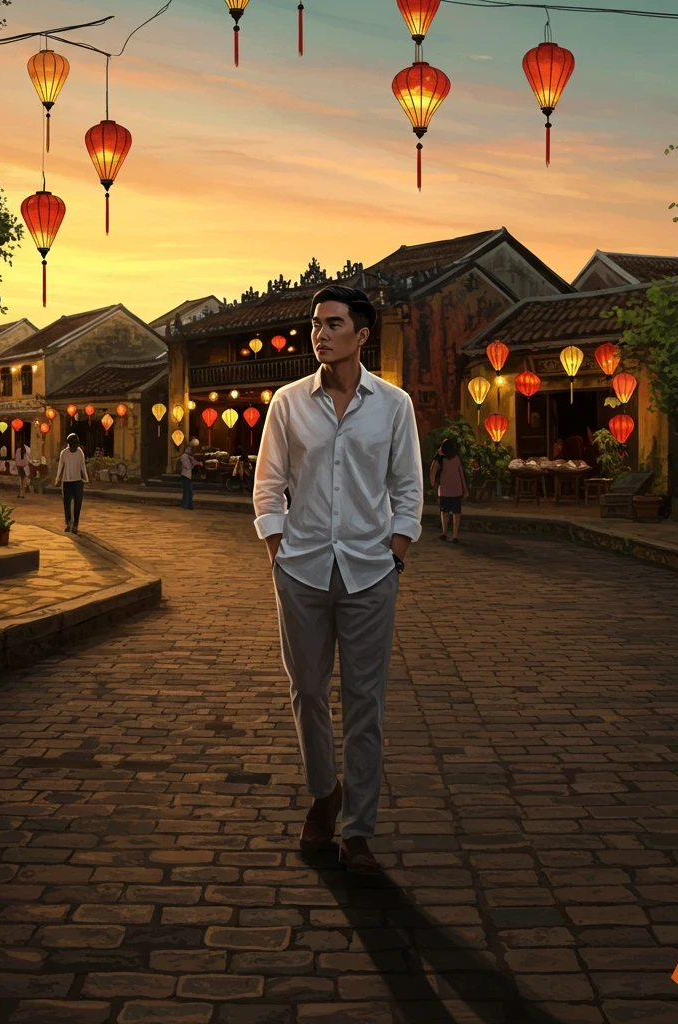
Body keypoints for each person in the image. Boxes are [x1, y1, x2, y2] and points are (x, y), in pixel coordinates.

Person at [253, 284, 423, 875]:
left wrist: (396, 552)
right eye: (315, 324)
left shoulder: (394, 405)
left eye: (333, 324)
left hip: (370, 572)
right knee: (306, 692)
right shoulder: (287, 403)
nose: (320, 334)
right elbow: (268, 484)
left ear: (362, 334)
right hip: (301, 570)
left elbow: (408, 488)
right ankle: (325, 793)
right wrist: (277, 549)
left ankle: (358, 831)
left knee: (365, 702)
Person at [429, 437, 469, 543]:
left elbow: (432, 471)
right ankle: (455, 535)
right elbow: (461, 475)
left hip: (444, 490)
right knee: (456, 513)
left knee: (444, 512)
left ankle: (444, 533)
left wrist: (432, 484)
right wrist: (465, 490)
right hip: (456, 489)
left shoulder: (440, 459)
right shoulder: (457, 458)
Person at [54, 433, 88, 533]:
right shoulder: (64, 453)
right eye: (73, 445)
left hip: (78, 481)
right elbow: (60, 467)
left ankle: (75, 524)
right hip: (67, 482)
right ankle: (68, 522)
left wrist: (86, 478)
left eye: (76, 445)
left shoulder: (80, 452)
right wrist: (57, 479)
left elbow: (82, 466)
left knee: (78, 504)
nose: (75, 447)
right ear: (69, 444)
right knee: (67, 504)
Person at [180, 439, 203, 509]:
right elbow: (188, 466)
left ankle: (186, 504)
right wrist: (194, 464)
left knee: (188, 491)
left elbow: (194, 461)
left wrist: (198, 463)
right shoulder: (184, 456)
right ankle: (186, 505)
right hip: (185, 475)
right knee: (188, 491)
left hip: (188, 476)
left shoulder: (189, 456)